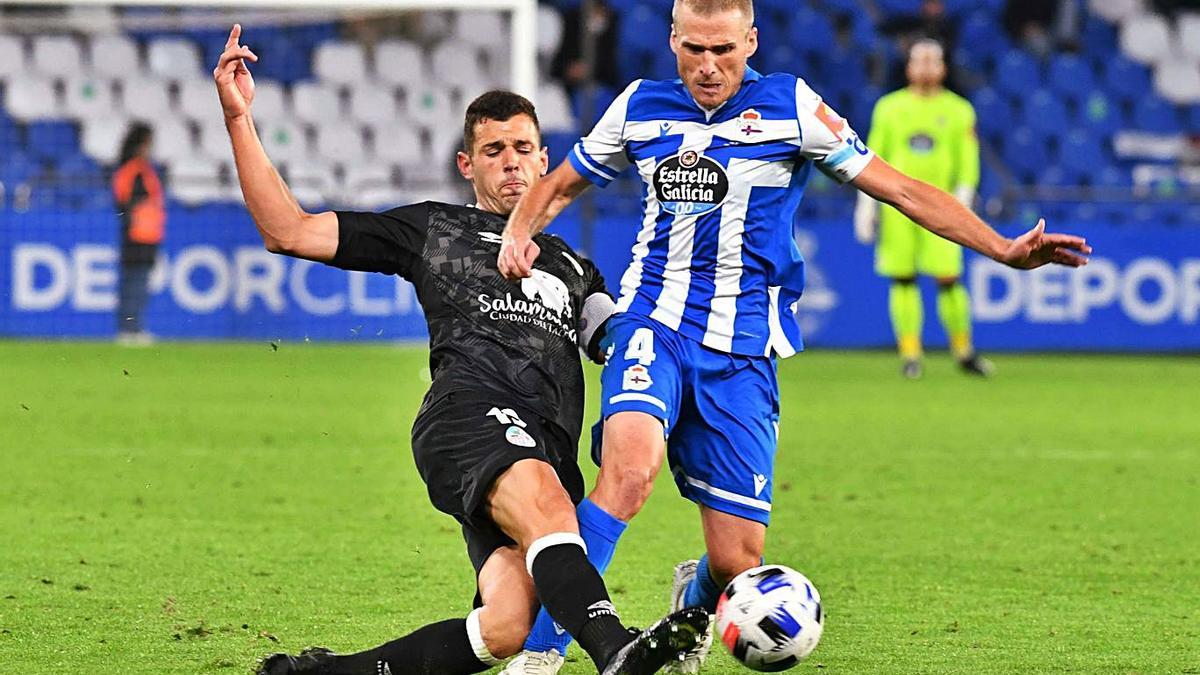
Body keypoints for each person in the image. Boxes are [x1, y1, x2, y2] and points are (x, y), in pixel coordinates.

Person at [496, 0, 1091, 672]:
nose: (708, 66)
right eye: (694, 49)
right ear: (672, 40)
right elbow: (561, 182)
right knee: (628, 473)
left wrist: (1002, 247)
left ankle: (686, 619)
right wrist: (518, 230)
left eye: (724, 49)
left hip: (744, 352)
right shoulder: (640, 106)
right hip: (652, 323)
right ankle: (541, 653)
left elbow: (899, 188)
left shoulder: (792, 108)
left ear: (752, 40)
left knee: (734, 561)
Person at [211, 24, 706, 675]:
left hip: (546, 442)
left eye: (522, 148)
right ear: (467, 164)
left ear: (542, 160)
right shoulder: (433, 229)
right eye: (493, 148)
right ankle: (617, 650)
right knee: (552, 511)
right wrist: (238, 118)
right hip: (470, 415)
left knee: (507, 624)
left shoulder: (572, 265)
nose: (509, 160)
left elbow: (614, 338)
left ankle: (321, 673)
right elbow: (289, 230)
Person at [854, 39, 991, 379]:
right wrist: (866, 204)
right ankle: (910, 354)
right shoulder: (889, 107)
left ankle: (963, 351)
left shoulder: (960, 110)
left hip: (942, 205)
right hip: (896, 205)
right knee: (902, 278)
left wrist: (962, 201)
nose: (927, 67)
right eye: (921, 61)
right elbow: (871, 156)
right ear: (909, 67)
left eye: (933, 61)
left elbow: (967, 161)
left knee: (949, 278)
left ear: (943, 68)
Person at [112, 122, 164, 345]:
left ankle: (133, 327)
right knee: (135, 283)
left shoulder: (140, 170)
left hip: (147, 234)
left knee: (138, 282)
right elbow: (124, 202)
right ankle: (129, 328)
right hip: (137, 234)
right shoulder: (133, 171)